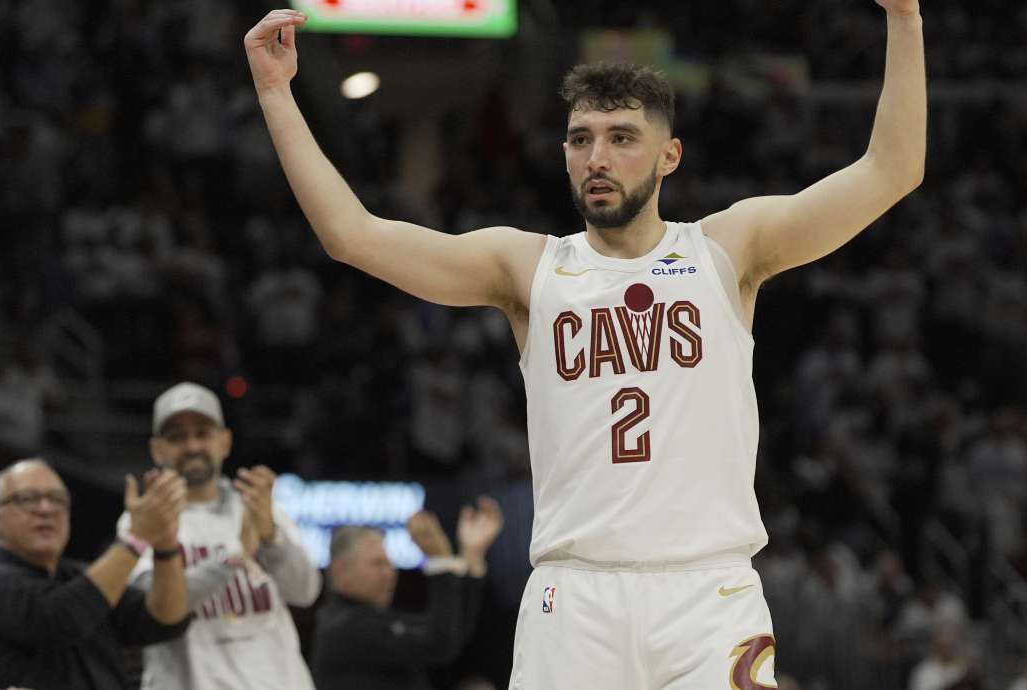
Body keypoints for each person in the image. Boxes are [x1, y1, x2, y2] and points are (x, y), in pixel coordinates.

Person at [244, 0, 926, 684]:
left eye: (622, 137)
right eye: (580, 139)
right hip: (573, 598)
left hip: (708, 594)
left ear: (669, 156)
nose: (597, 157)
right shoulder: (527, 266)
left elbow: (890, 171)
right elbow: (352, 236)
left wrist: (904, 17)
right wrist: (277, 92)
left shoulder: (729, 248)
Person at [117, 382, 322, 690]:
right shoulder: (143, 520)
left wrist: (271, 535)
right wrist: (235, 555)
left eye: (203, 433)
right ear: (156, 450)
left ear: (224, 442)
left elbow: (305, 592)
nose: (192, 446)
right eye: (177, 437)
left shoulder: (260, 506)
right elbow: (156, 609)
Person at [0, 459, 190, 690]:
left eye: (57, 499)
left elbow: (165, 621)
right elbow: (61, 619)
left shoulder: (80, 576)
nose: (45, 509)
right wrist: (136, 538)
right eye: (27, 499)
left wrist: (165, 545)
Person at [311, 498, 503, 690]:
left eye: (389, 564)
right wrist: (439, 559)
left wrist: (472, 556)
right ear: (341, 571)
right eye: (377, 564)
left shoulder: (366, 618)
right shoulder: (342, 628)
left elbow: (453, 631)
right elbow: (439, 641)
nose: (390, 573)